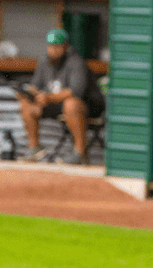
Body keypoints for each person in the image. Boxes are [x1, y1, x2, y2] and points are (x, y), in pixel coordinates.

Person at [17, 28, 105, 165]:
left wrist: (48, 97)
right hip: (56, 105)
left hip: (88, 106)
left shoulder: (76, 62)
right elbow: (35, 86)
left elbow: (75, 92)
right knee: (26, 104)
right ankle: (35, 149)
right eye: (51, 46)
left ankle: (80, 152)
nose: (53, 50)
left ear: (66, 46)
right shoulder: (44, 62)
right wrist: (29, 93)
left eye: (57, 47)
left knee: (71, 103)